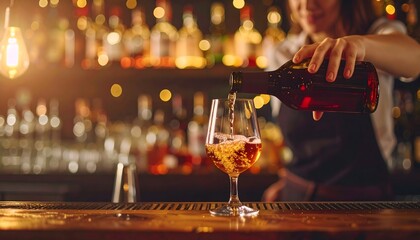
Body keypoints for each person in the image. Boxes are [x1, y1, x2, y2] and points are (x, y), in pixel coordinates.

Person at [262, 0, 420, 201]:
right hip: (297, 199)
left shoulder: (377, 35)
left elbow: (415, 59)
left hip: (362, 207)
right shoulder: (282, 53)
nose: (307, 4)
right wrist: (288, 185)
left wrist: (360, 45)